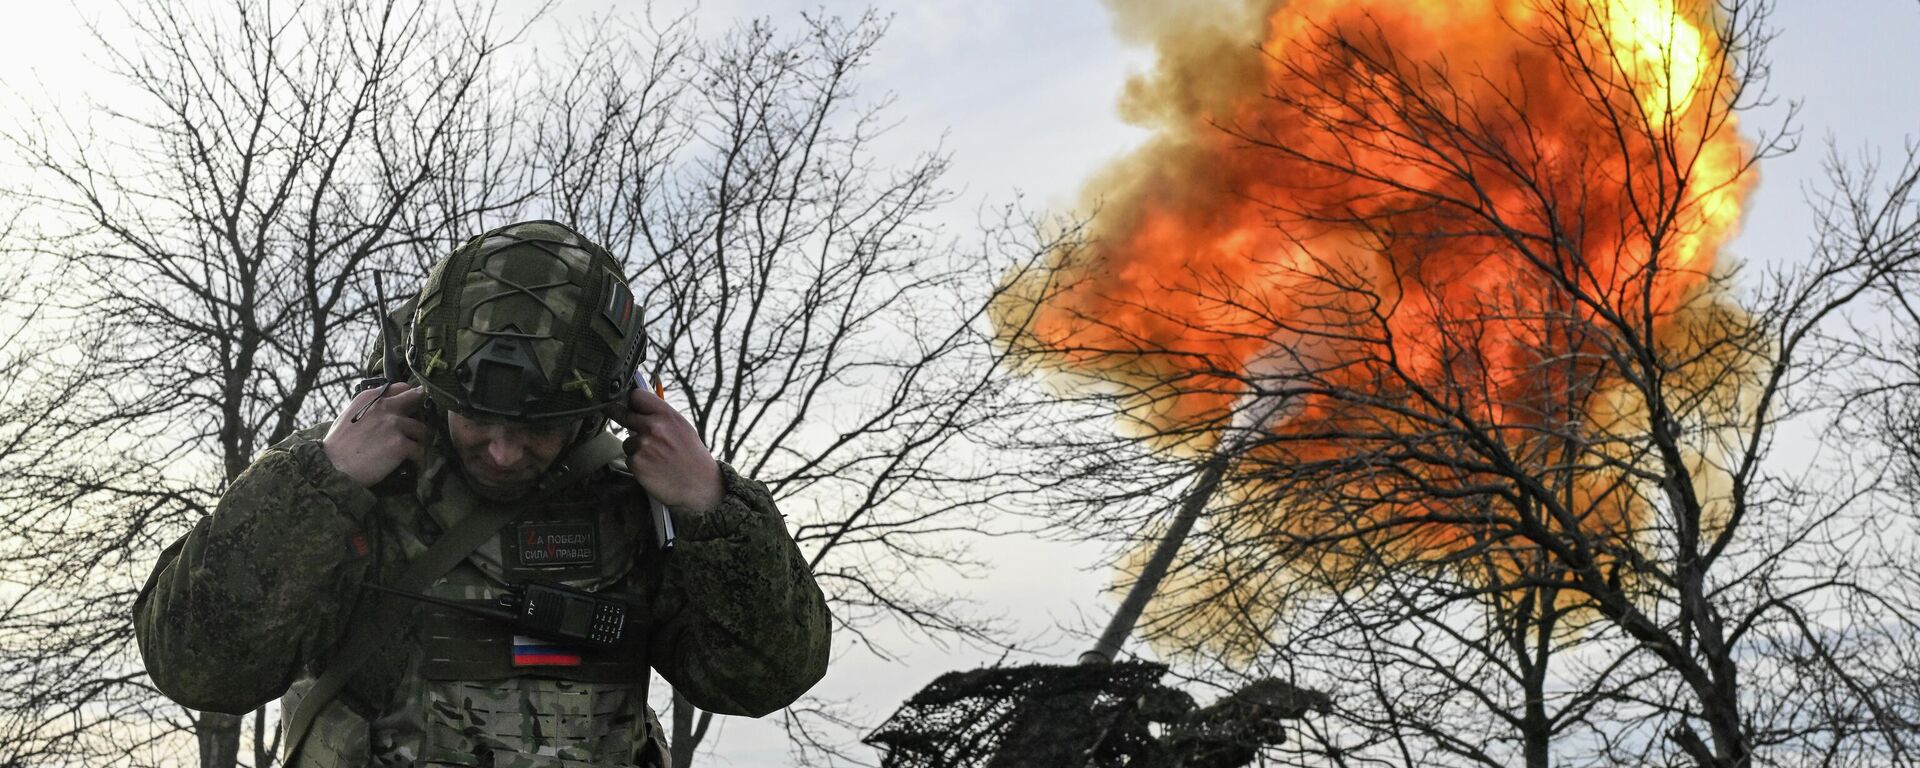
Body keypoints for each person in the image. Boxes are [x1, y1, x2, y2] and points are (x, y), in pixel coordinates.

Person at [134, 220, 832, 767]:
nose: (502, 450)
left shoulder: (642, 501)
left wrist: (713, 506)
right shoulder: (344, 478)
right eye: (476, 418)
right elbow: (198, 665)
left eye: (537, 429)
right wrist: (322, 483)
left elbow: (760, 680)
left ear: (602, 407)